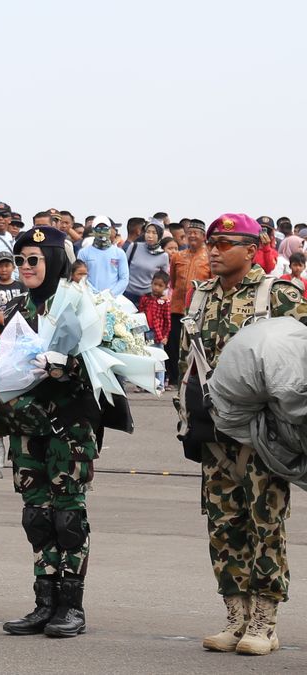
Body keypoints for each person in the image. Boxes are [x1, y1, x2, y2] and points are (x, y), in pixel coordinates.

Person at [178, 213, 307, 656]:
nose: (213, 250)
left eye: (225, 243)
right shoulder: (200, 296)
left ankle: (264, 621)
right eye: (211, 243)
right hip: (213, 434)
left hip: (261, 438)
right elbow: (187, 362)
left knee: (264, 524)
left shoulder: (278, 293)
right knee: (223, 526)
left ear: (252, 250)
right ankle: (235, 615)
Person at [0, 226, 95, 639]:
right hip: (26, 427)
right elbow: (1, 370)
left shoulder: (79, 303)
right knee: (37, 516)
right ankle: (44, 602)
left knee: (68, 516)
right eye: (20, 261)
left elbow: (101, 366)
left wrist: (65, 367)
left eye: (33, 259)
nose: (26, 267)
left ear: (54, 259)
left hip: (68, 428)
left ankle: (71, 606)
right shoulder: (17, 307)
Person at [167, 219, 209, 387]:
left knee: (196, 344)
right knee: (175, 344)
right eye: (189, 233)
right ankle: (176, 378)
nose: (192, 236)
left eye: (196, 233)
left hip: (199, 309)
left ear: (203, 236)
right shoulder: (178, 256)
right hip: (177, 308)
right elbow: (173, 280)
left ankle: (195, 378)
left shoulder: (209, 257)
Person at [137, 271, 171, 389]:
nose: (156, 287)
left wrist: (165, 335)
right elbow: (140, 314)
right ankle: (144, 383)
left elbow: (167, 320)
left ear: (166, 287)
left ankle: (159, 384)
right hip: (146, 333)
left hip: (158, 335)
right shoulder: (145, 298)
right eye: (155, 284)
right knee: (145, 358)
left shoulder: (165, 302)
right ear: (151, 283)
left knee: (159, 359)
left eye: (160, 286)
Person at [76, 221, 129, 296]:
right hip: (89, 296)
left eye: (105, 229)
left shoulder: (119, 253)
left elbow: (124, 278)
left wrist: (111, 294)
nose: (102, 232)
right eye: (98, 229)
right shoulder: (84, 252)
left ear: (109, 230)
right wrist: (93, 293)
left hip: (113, 299)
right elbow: (81, 276)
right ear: (93, 231)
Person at [124, 222, 170, 305]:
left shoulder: (163, 256)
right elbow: (123, 268)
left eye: (154, 233)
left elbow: (164, 279)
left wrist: (164, 295)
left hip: (148, 298)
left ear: (159, 235)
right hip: (127, 294)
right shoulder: (134, 246)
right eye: (148, 232)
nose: (150, 235)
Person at [0, 251, 27, 328]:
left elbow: (27, 307)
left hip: (22, 326)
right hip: (2, 330)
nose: (4, 269)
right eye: (0, 266)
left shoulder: (21, 286)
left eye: (7, 266)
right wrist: (9, 325)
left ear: (13, 267)